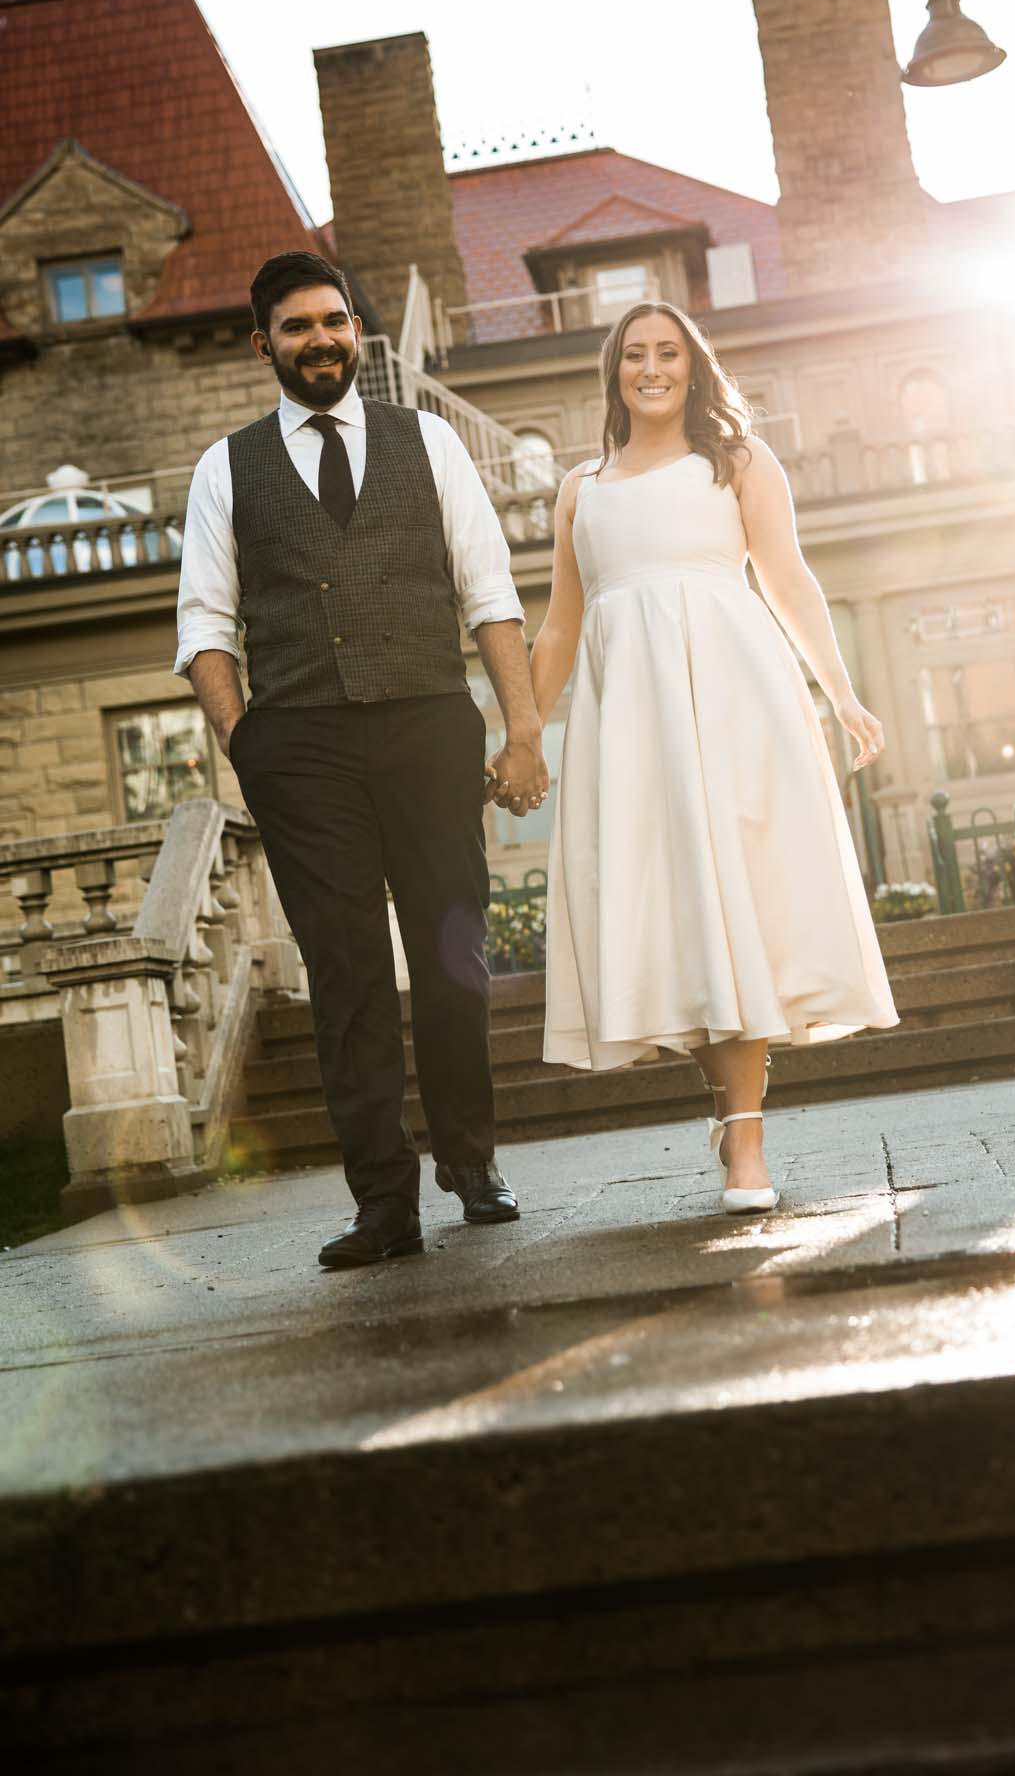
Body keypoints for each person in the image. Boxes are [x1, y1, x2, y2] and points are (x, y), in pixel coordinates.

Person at [175, 250, 547, 1269]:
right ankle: (383, 1199)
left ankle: (470, 1162)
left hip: (427, 721)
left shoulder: (426, 441)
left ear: (355, 332)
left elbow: (489, 594)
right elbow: (206, 626)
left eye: (333, 321)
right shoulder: (226, 467)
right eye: (296, 327)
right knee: (345, 976)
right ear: (266, 345)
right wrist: (246, 737)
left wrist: (521, 729)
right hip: (300, 745)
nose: (320, 339)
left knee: (450, 954)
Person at [523, 302, 897, 1214]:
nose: (651, 368)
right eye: (635, 355)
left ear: (694, 369)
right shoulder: (581, 491)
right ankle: (727, 1109)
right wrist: (520, 733)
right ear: (613, 370)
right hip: (628, 731)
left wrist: (839, 692)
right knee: (672, 921)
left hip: (735, 706)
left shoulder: (736, 462)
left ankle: (745, 1144)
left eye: (669, 354)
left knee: (738, 907)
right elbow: (562, 624)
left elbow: (790, 580)